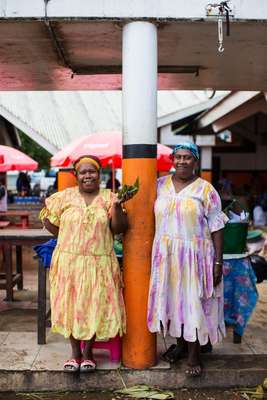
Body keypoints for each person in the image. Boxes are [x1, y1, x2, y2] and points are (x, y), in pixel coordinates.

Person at [40, 155, 128, 373]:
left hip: (99, 262)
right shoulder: (64, 198)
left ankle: (88, 353)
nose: (88, 175)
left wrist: (116, 207)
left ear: (99, 174)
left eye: (92, 171)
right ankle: (74, 353)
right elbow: (53, 225)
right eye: (83, 172)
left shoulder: (110, 197)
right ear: (76, 175)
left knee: (94, 305)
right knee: (70, 304)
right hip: (69, 261)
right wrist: (64, 235)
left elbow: (118, 229)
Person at [147, 142, 227, 377]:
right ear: (173, 159)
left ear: (195, 161)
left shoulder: (206, 190)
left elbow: (217, 226)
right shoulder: (159, 185)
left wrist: (218, 262)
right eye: (178, 157)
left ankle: (194, 354)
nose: (182, 161)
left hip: (196, 256)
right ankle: (180, 345)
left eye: (187, 157)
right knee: (173, 301)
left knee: (194, 302)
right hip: (166, 256)